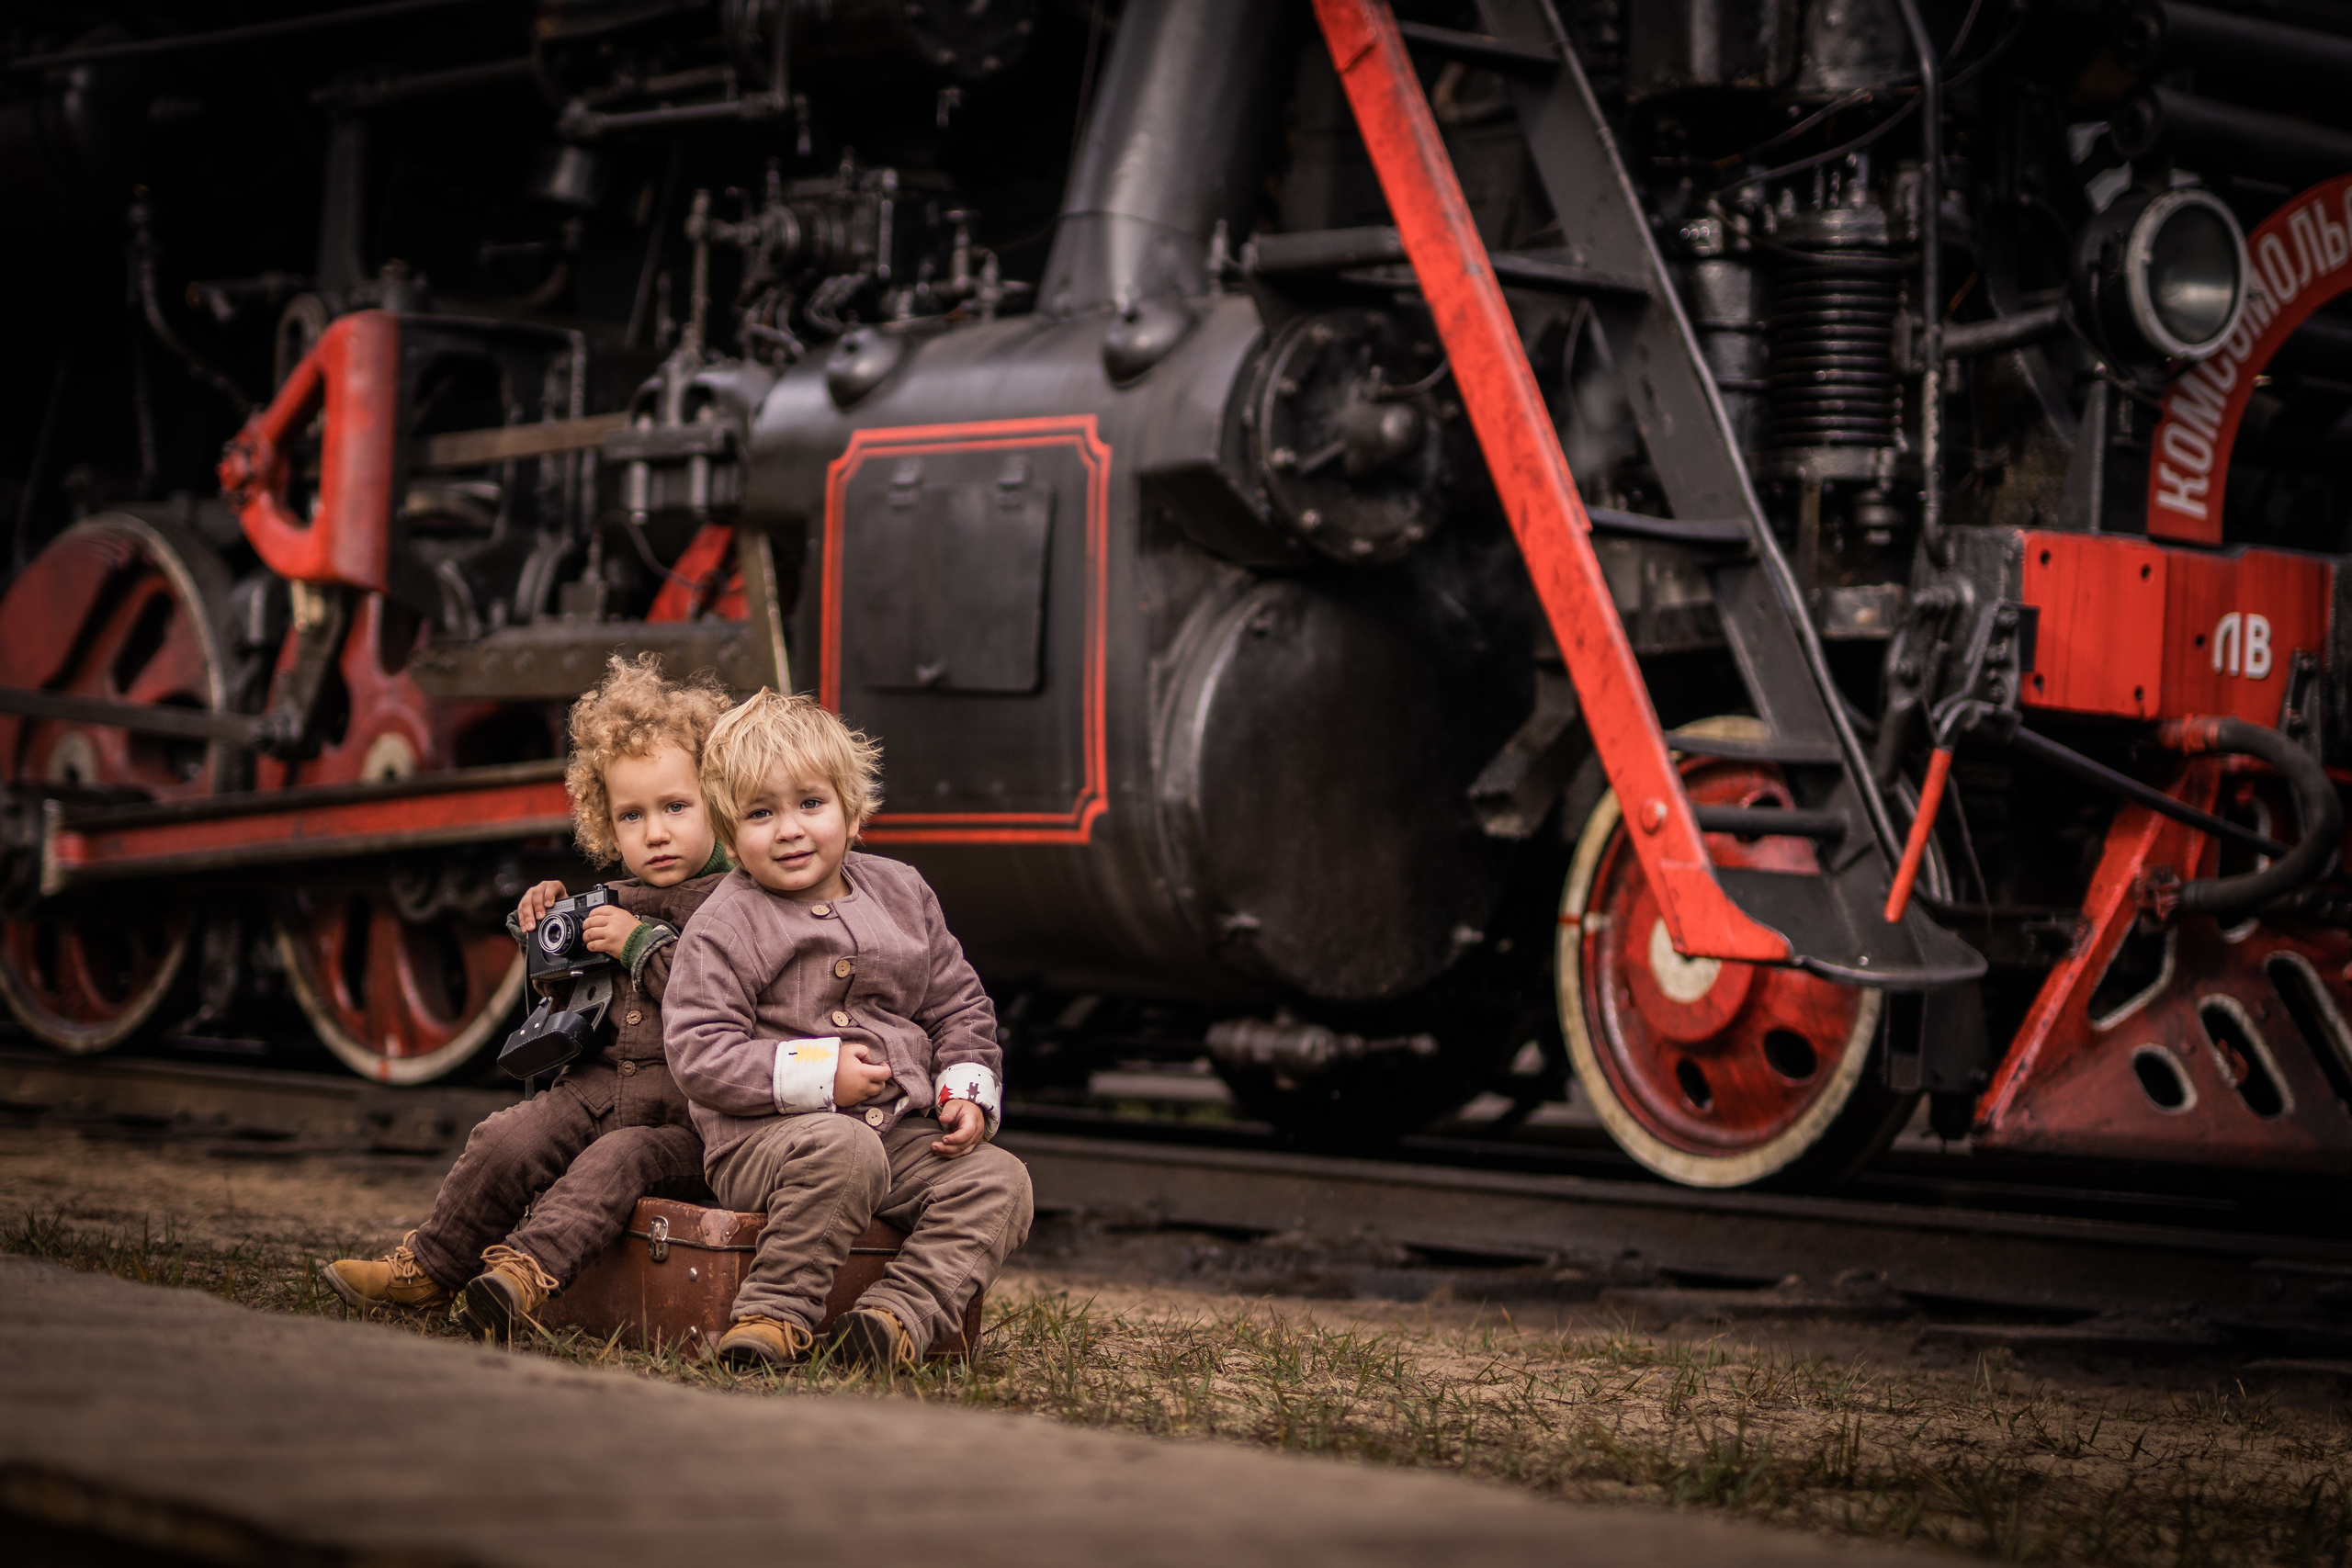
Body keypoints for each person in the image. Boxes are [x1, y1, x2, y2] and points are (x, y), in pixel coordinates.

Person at [322, 655, 732, 1338]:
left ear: (718, 798)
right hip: (593, 1092)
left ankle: (521, 1276)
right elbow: (568, 1002)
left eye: (675, 807)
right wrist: (547, 935)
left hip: (683, 1125)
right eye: (631, 815)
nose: (655, 832)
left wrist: (638, 945)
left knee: (615, 1160)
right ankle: (430, 1265)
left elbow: (718, 1001)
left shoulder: (739, 906)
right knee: (507, 1137)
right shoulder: (611, 898)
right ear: (606, 822)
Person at [663, 690, 1033, 1372]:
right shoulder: (726, 922)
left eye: (810, 803)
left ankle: (895, 1317)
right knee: (843, 1147)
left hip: (898, 1133)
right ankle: (772, 1314)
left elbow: (958, 1006)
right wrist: (817, 1073)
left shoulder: (903, 892)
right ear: (728, 833)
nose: (789, 829)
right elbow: (698, 1052)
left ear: (853, 810)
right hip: (765, 1142)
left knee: (1000, 1181)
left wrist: (964, 1092)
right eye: (760, 813)